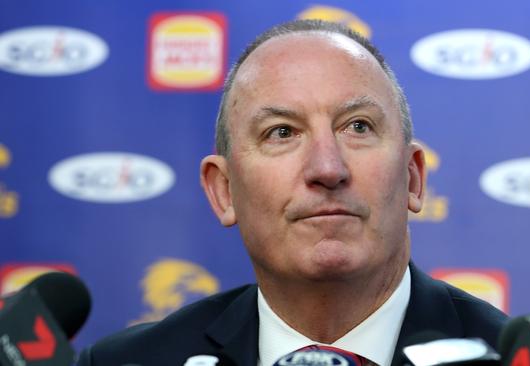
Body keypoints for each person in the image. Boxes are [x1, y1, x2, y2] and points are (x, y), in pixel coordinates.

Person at [77, 20, 507, 366]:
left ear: (413, 178)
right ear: (224, 191)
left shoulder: (516, 358)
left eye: (357, 127)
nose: (327, 169)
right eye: (281, 132)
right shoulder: (131, 361)